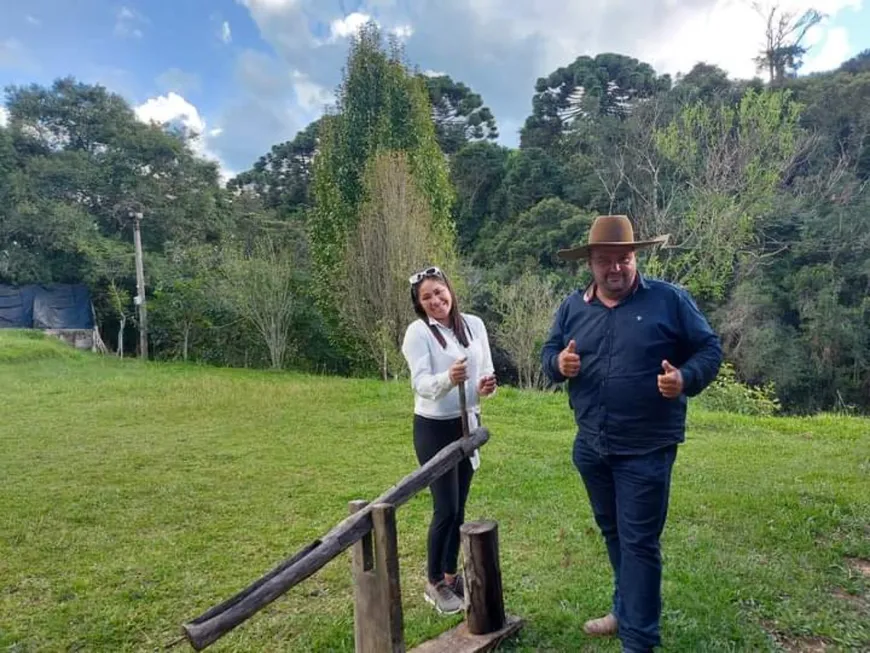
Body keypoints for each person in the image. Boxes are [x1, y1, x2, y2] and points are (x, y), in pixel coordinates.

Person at [541, 215, 723, 653]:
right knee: (614, 533)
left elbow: (709, 349)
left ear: (635, 257)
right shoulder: (572, 307)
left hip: (646, 447)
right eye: (606, 260)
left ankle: (639, 642)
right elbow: (548, 352)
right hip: (591, 444)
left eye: (624, 258)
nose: (616, 268)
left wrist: (683, 377)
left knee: (639, 543)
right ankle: (624, 611)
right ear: (590, 263)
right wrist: (557, 366)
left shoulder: (670, 300)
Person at [401, 265, 497, 615]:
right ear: (419, 303)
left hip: (466, 423)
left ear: (450, 291)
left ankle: (450, 573)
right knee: (444, 508)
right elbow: (421, 383)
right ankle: (433, 582)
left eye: (439, 292)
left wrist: (487, 385)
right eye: (426, 297)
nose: (436, 300)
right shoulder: (418, 333)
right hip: (434, 427)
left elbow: (485, 369)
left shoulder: (474, 324)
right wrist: (447, 378)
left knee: (460, 507)